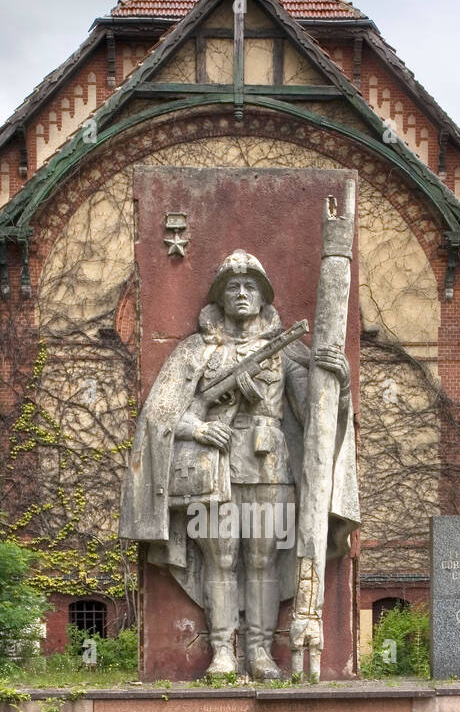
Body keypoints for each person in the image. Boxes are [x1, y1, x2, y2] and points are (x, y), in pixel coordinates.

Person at [120, 251, 359, 678]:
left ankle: (261, 652)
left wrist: (338, 387)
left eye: (251, 287)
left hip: (271, 467)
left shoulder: (285, 350)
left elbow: (315, 417)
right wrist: (198, 428)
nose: (243, 293)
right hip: (215, 467)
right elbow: (160, 412)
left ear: (264, 297)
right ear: (220, 296)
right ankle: (224, 653)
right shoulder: (198, 350)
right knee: (221, 560)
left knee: (264, 561)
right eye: (234, 286)